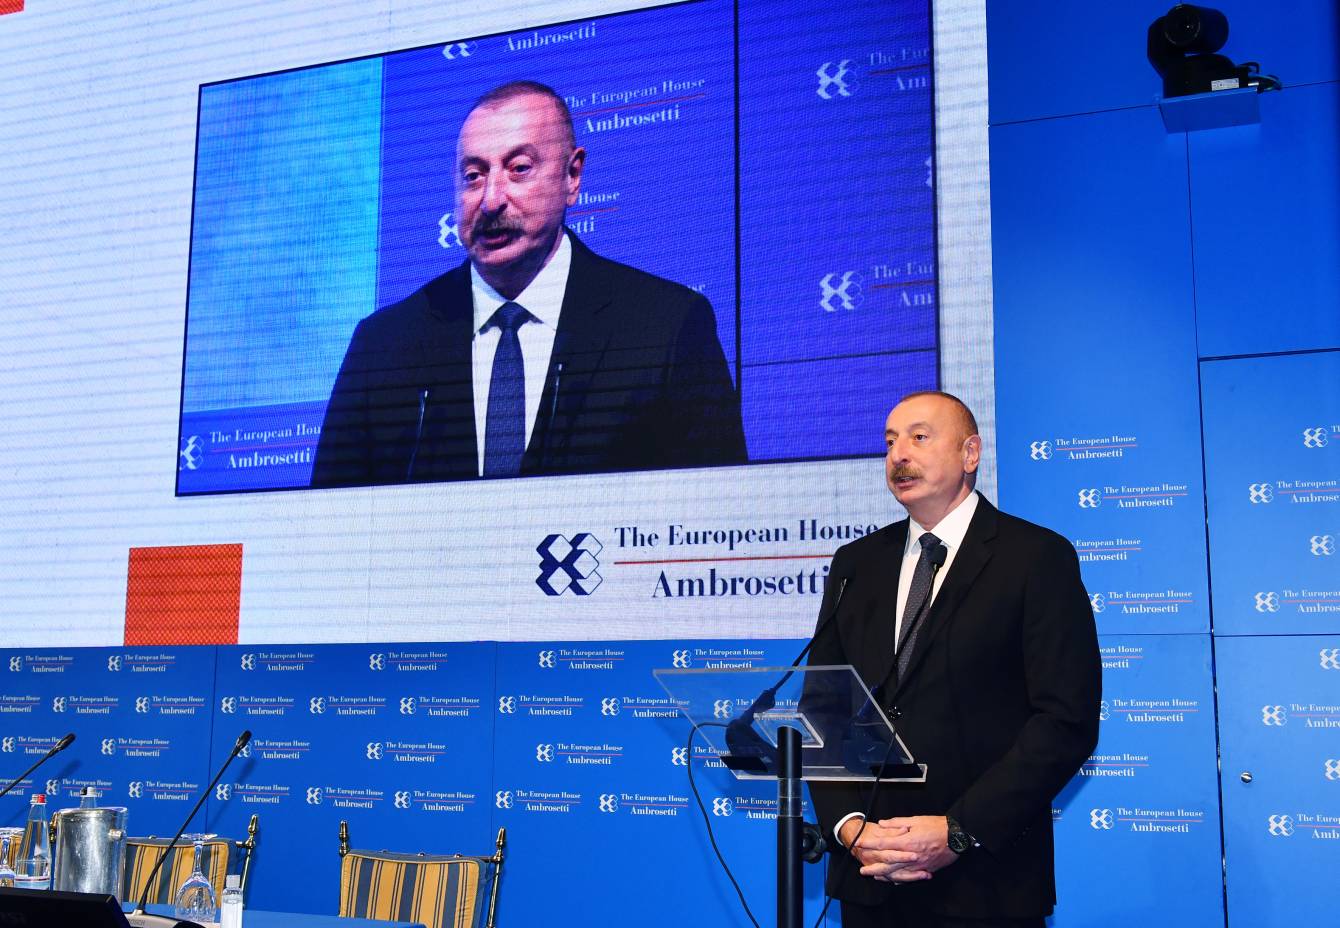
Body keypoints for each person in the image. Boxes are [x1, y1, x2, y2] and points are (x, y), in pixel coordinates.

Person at [311, 81, 745, 488]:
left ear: (572, 176)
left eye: (519, 169)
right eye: (473, 176)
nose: (491, 200)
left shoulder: (665, 325)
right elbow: (329, 522)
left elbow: (716, 513)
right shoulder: (384, 344)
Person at [807, 391, 1101, 928]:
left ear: (970, 453)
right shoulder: (856, 564)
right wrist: (849, 826)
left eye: (919, 437)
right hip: (870, 876)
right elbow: (824, 709)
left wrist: (959, 831)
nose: (899, 454)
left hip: (985, 882)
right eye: (890, 442)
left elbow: (1065, 721)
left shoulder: (1035, 557)